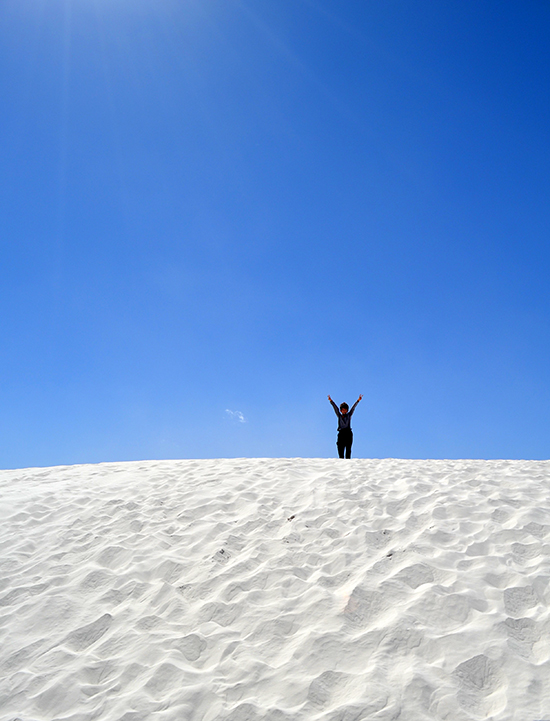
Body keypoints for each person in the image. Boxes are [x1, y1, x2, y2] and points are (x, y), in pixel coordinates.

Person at [328, 394, 363, 459]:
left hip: (348, 433)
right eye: (343, 409)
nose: (344, 411)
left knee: (348, 450)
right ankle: (341, 463)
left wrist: (358, 401)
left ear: (347, 410)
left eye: (345, 409)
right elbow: (335, 408)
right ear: (341, 410)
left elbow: (353, 408)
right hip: (341, 433)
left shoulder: (349, 415)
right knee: (340, 449)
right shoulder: (339, 416)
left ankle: (348, 464)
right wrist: (331, 401)